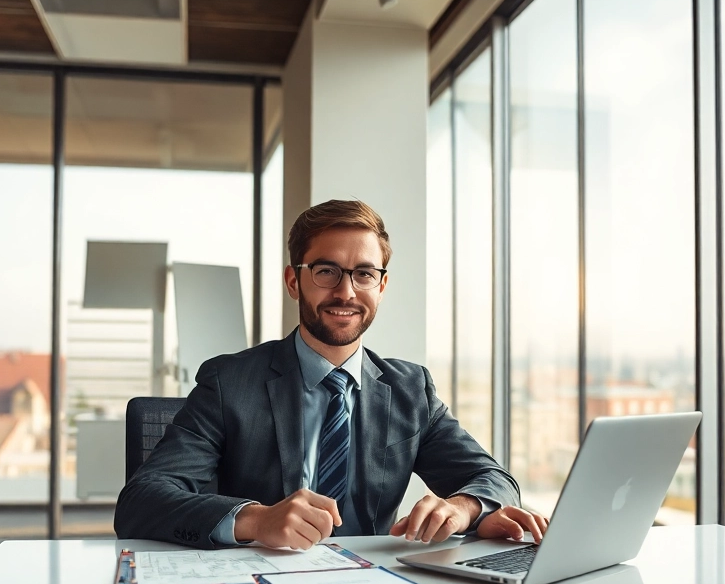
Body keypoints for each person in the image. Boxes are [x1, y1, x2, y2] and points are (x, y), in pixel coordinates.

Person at [113, 199, 548, 549]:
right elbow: (141, 500)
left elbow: (495, 479)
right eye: (326, 271)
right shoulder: (230, 383)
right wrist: (256, 519)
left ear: (381, 285)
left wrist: (464, 508)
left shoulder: (410, 389)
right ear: (293, 281)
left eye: (363, 274)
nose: (346, 291)